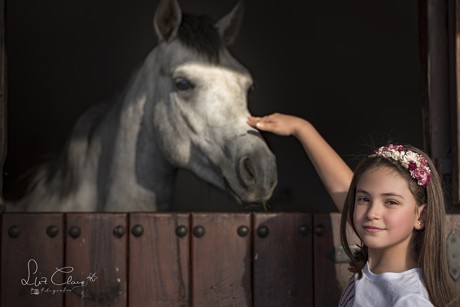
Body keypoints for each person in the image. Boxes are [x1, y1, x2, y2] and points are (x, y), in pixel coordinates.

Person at [247, 113, 457, 306]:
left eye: (391, 202)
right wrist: (302, 129)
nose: (372, 213)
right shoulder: (375, 272)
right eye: (364, 199)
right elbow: (343, 190)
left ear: (421, 216)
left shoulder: (408, 299)